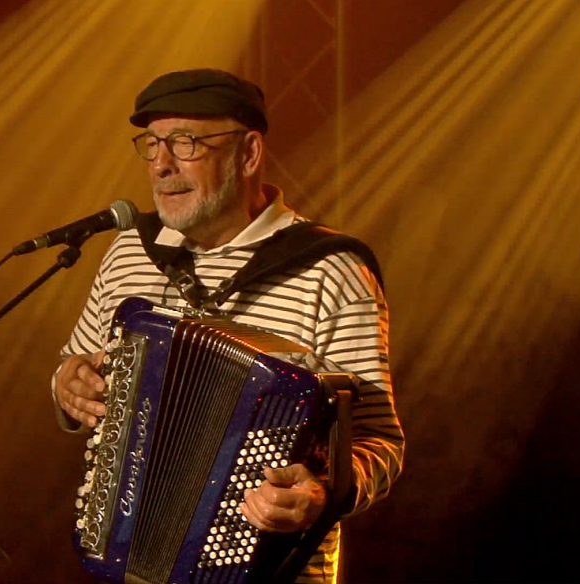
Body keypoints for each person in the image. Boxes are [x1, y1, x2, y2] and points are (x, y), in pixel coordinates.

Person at [52, 68, 403, 583]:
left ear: (249, 153)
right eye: (152, 145)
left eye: (186, 143)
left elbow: (380, 441)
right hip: (130, 565)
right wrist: (66, 385)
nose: (162, 165)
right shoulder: (129, 253)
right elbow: (75, 367)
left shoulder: (330, 270)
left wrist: (319, 492)